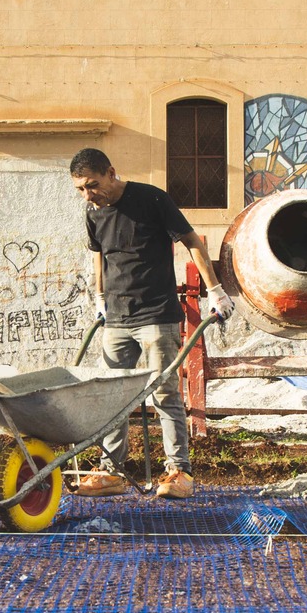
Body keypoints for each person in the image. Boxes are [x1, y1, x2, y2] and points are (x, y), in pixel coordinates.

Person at [68, 147, 233, 500]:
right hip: (116, 318)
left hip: (156, 315)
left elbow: (191, 242)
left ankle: (179, 471)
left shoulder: (152, 199)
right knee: (112, 396)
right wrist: (99, 298)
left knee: (164, 392)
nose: (88, 194)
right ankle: (112, 472)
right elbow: (99, 256)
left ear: (111, 173)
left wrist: (216, 290)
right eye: (81, 189)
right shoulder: (92, 212)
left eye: (92, 185)